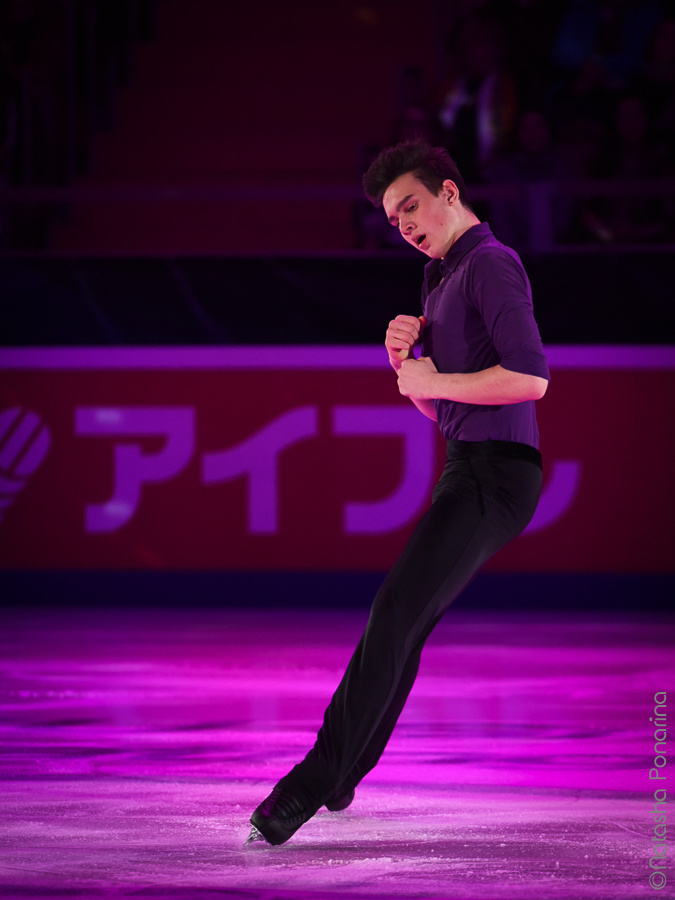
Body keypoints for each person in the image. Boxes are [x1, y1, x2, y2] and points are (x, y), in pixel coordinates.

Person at [246, 139, 550, 846]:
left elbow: (530, 378)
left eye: (409, 205)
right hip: (469, 463)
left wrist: (429, 378)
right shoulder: (439, 278)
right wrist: (403, 367)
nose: (403, 224)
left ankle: (312, 783)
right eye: (391, 218)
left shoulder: (490, 264)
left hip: (498, 473)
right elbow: (445, 406)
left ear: (448, 192)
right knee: (403, 625)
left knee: (392, 616)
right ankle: (346, 772)